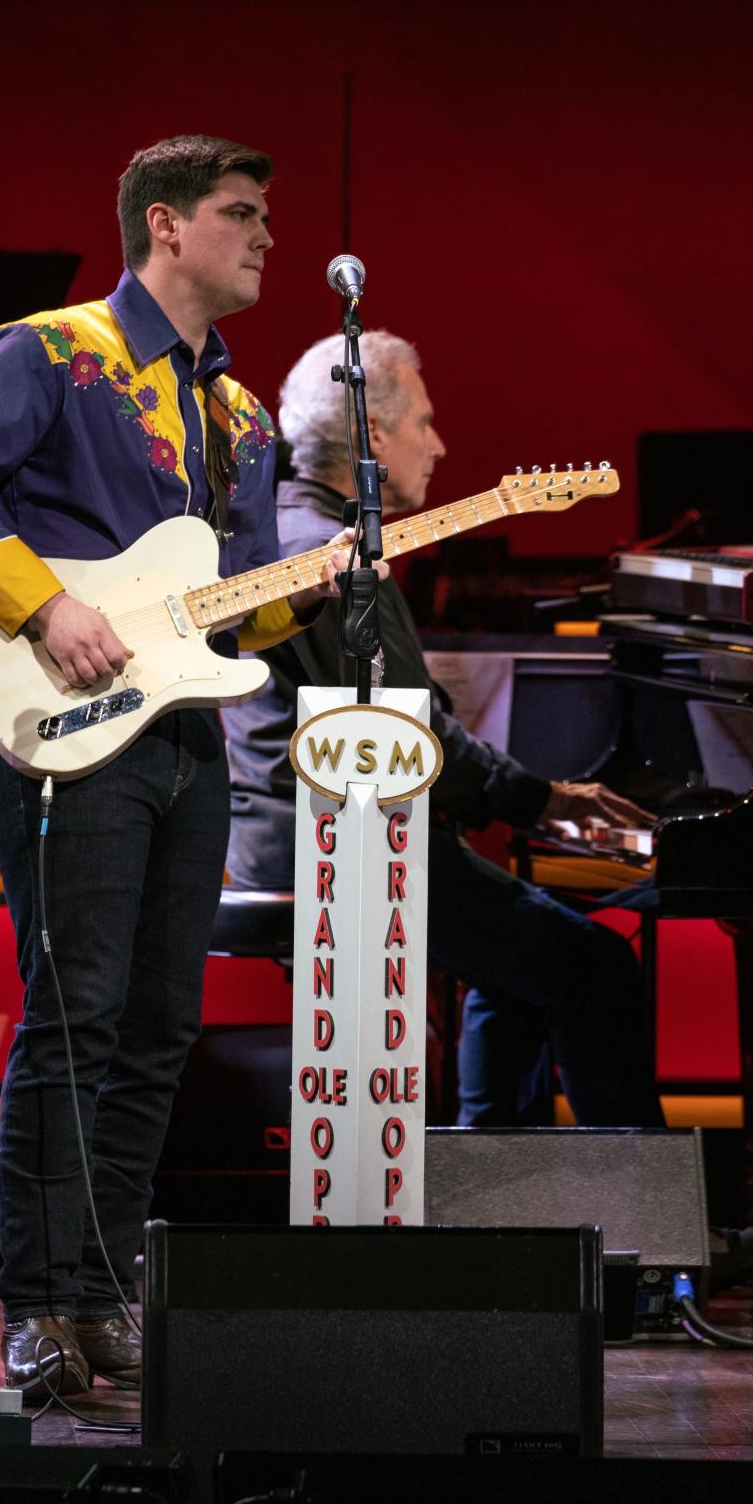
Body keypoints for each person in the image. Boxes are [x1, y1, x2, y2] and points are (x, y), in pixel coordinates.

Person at [0, 135, 355, 1400]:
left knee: (156, 1026)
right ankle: (40, 1303)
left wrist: (317, 590)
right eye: (241, 213)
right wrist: (45, 608)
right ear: (163, 225)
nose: (266, 238)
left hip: (187, 737)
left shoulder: (242, 412)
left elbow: (236, 614)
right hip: (68, 721)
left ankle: (102, 1291)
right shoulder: (53, 351)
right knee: (75, 1013)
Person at [224, 329, 668, 1131]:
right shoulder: (328, 554)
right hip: (338, 852)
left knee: (524, 966)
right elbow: (407, 729)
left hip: (318, 832)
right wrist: (540, 799)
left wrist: (526, 799)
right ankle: (633, 1204)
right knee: (594, 965)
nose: (440, 443)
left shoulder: (291, 530)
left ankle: (498, 1181)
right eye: (423, 422)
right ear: (372, 437)